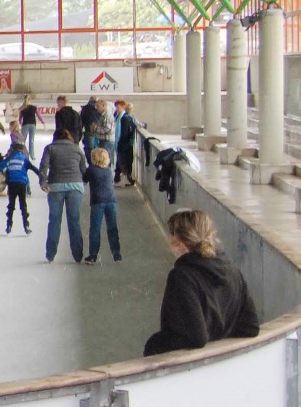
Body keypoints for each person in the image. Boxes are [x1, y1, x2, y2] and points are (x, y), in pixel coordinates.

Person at [143, 210, 261, 355]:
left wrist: (154, 344)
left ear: (178, 243)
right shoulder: (232, 271)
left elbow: (196, 337)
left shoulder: (182, 277)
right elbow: (251, 327)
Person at [38, 128, 88, 263]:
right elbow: (84, 169)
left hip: (55, 186)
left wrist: (43, 182)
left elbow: (43, 166)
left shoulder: (50, 148)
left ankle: (50, 254)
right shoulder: (77, 148)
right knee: (74, 220)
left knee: (54, 220)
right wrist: (82, 183)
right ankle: (78, 254)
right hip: (75, 187)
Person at [84, 147, 122, 264]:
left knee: (95, 229)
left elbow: (83, 180)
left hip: (97, 201)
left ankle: (93, 255)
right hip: (111, 200)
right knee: (112, 228)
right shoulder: (108, 170)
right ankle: (116, 254)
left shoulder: (91, 170)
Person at [0, 139, 36, 234]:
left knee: (11, 205)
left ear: (12, 150)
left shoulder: (10, 158)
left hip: (12, 184)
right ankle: (26, 226)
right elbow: (33, 168)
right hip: (22, 183)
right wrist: (42, 177)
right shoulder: (24, 159)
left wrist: (0, 159)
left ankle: (9, 225)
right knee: (23, 205)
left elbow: (0, 167)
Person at [115, 100, 139, 186]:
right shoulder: (128, 117)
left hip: (124, 144)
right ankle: (126, 179)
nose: (116, 109)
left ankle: (125, 179)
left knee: (123, 162)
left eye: (118, 107)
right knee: (125, 162)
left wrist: (120, 143)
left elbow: (123, 133)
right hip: (128, 143)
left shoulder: (124, 118)